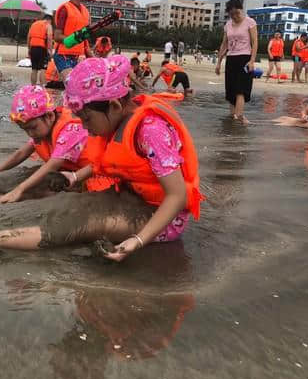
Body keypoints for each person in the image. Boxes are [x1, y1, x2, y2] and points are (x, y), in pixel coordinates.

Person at [62, 55, 203, 261]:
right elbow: (103, 163)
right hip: (134, 200)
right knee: (77, 203)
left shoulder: (151, 131)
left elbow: (177, 196)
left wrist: (137, 240)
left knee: (84, 224)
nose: (84, 127)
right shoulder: (118, 120)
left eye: (86, 118)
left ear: (114, 106)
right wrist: (75, 177)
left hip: (165, 218)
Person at [0, 85, 107, 204]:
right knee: (41, 180)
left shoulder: (70, 130)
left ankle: (10, 196)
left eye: (32, 128)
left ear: (49, 116)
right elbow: (21, 153)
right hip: (69, 171)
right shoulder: (42, 131)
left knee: (44, 188)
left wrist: (19, 190)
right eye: (25, 130)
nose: (30, 133)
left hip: (93, 173)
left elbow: (53, 164)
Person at [215, 0, 258, 124]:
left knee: (241, 89)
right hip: (231, 58)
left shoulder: (250, 22)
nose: (235, 16)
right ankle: (232, 117)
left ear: (241, 10)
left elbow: (255, 42)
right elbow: (224, 44)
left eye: (237, 13)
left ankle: (238, 118)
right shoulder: (228, 24)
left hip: (245, 58)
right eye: (232, 14)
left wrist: (252, 61)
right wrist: (218, 62)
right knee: (231, 91)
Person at [53, 0, 93, 82]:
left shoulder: (85, 11)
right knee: (72, 85)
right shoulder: (64, 9)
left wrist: (93, 58)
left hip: (78, 56)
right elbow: (57, 36)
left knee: (81, 88)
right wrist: (73, 39)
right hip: (62, 55)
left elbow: (84, 40)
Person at [28, 14, 53, 85]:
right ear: (49, 20)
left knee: (34, 69)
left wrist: (29, 49)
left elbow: (29, 37)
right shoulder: (48, 25)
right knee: (43, 69)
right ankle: (43, 87)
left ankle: (33, 87)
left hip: (33, 47)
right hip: (42, 48)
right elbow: (49, 38)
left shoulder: (34, 24)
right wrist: (50, 50)